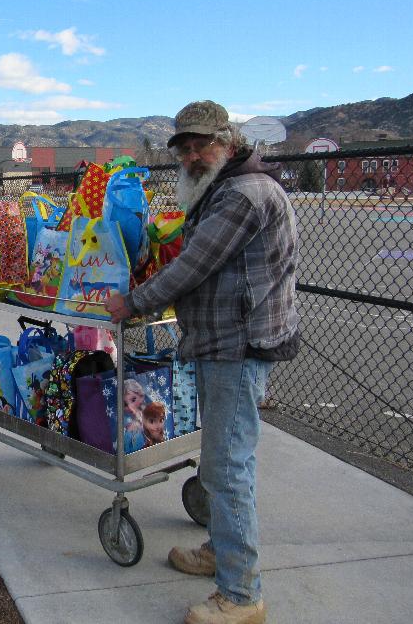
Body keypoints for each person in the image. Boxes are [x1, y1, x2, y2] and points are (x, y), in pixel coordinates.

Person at [105, 100, 299, 624]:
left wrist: (133, 302)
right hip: (222, 345)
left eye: (203, 145)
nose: (193, 155)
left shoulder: (243, 195)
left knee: (227, 467)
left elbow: (193, 266)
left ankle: (240, 596)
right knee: (224, 461)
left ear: (229, 144)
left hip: (238, 349)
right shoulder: (224, 189)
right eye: (185, 147)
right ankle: (220, 551)